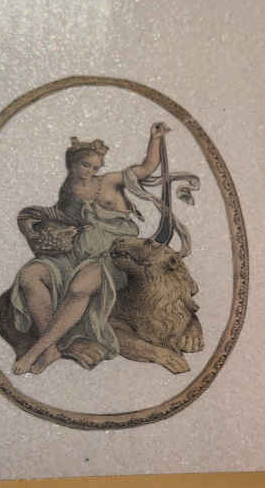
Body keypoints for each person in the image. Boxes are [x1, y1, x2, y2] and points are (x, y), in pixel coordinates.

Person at [10, 122, 170, 374]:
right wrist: (31, 223)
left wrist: (156, 138)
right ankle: (51, 349)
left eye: (95, 167)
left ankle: (35, 352)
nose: (91, 171)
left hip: (113, 255)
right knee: (29, 276)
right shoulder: (68, 191)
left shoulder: (110, 181)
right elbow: (56, 217)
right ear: (71, 164)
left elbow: (147, 168)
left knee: (79, 287)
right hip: (75, 254)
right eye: (86, 165)